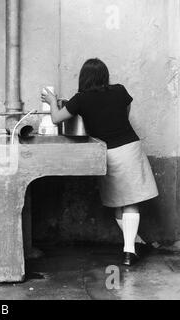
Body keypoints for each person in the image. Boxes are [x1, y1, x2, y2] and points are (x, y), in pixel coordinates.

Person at [41, 58, 159, 266]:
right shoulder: (120, 91)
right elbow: (126, 111)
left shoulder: (80, 99)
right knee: (129, 202)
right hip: (130, 147)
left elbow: (56, 119)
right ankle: (133, 246)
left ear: (83, 77)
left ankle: (130, 249)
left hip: (107, 152)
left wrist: (52, 101)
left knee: (119, 203)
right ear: (105, 75)